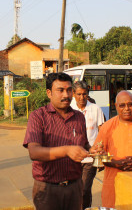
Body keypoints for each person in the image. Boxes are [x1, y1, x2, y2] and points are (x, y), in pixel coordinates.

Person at [23, 73, 102, 210]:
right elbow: (34, 152)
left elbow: (83, 145)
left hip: (74, 187)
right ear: (49, 93)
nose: (66, 95)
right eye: (60, 90)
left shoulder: (78, 117)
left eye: (69, 90)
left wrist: (91, 150)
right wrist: (66, 150)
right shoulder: (38, 116)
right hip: (47, 188)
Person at [70, 81, 105, 209]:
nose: (81, 97)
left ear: (87, 94)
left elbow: (102, 132)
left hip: (90, 158)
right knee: (72, 190)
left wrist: (100, 158)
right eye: (78, 94)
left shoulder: (95, 109)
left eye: (84, 94)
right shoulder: (69, 108)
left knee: (84, 189)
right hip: (72, 157)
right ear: (73, 94)